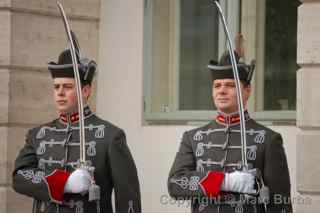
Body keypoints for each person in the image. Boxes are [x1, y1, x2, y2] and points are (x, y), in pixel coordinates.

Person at [12, 49, 141, 213]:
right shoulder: (38, 135)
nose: (60, 93)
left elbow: (128, 198)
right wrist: (63, 183)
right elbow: (19, 177)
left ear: (86, 91)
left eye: (67, 87)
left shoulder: (111, 136)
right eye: (56, 87)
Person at [167, 49, 292, 213]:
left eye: (230, 85)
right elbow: (175, 185)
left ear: (247, 91)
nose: (221, 91)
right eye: (217, 86)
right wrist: (225, 181)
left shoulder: (269, 139)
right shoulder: (193, 138)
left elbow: (280, 203)